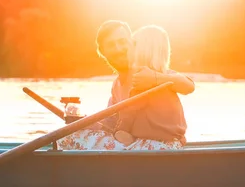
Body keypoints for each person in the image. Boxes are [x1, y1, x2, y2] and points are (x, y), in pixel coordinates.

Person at [56, 20, 194, 151]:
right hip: (145, 144)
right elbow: (110, 122)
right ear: (102, 53)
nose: (118, 49)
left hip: (157, 146)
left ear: (132, 44)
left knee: (70, 139)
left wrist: (156, 78)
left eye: (122, 42)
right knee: (76, 133)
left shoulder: (147, 73)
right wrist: (82, 121)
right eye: (111, 45)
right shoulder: (117, 85)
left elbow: (187, 85)